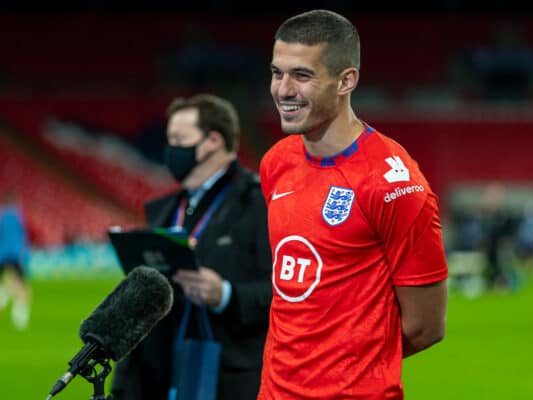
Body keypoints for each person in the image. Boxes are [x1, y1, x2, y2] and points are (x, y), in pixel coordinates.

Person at [258, 10, 448, 399]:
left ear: (346, 81)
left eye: (302, 75)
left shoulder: (394, 185)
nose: (283, 89)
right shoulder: (276, 163)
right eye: (278, 73)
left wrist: (347, 372)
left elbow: (426, 327)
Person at [111, 94, 272, 400]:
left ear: (213, 140)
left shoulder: (259, 203)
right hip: (159, 376)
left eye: (179, 139)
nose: (170, 149)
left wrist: (226, 294)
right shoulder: (164, 210)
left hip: (228, 379)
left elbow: (286, 292)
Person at [0, 190, 32, 331]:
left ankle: (3, 296)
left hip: (2, 255)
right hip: (16, 255)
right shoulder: (19, 217)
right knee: (23, 287)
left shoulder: (2, 216)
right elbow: (24, 236)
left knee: (8, 280)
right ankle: (20, 316)